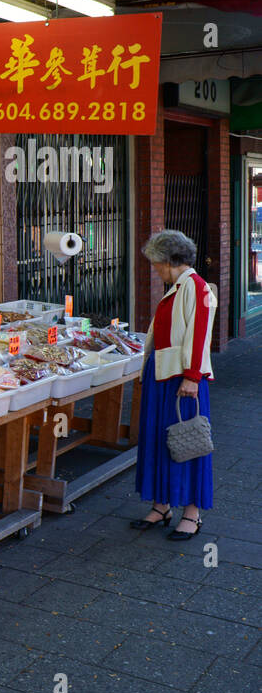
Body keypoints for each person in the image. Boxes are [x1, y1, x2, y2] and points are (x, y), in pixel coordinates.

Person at [130, 229, 216, 540]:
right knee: (159, 440)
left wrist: (193, 376)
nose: (155, 269)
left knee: (188, 443)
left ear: (169, 260)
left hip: (181, 378)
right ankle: (162, 505)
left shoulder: (195, 287)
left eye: (156, 264)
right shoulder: (181, 287)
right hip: (165, 375)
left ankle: (192, 513)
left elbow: (200, 332)